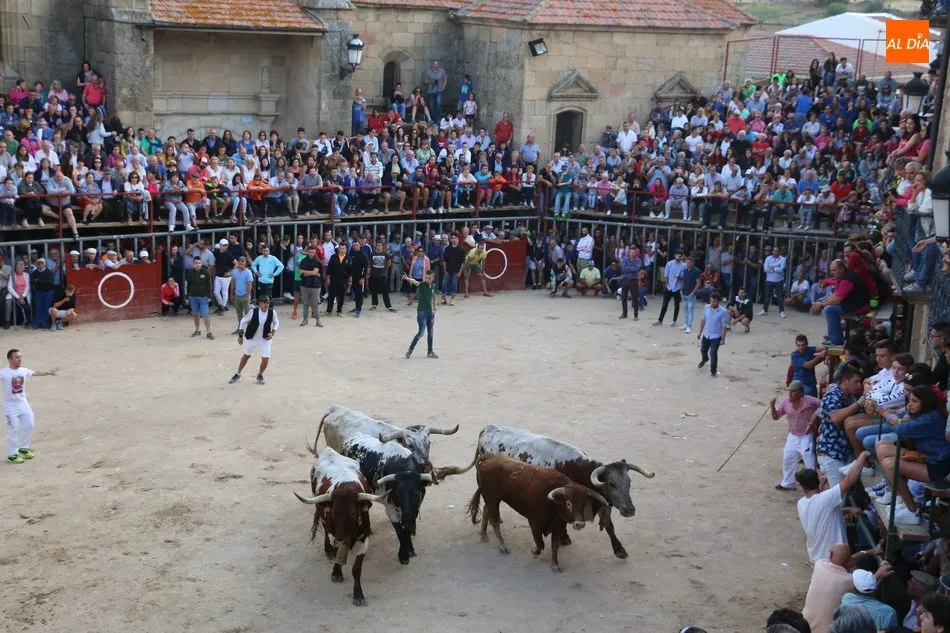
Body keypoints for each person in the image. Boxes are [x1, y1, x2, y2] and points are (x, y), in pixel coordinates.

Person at [796, 454, 869, 563]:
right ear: (819, 483)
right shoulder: (826, 498)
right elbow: (849, 480)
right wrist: (862, 455)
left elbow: (821, 515)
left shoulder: (801, 503)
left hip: (817, 559)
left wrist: (847, 510)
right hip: (833, 560)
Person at [1, 348, 58, 464]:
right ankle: (13, 454)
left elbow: (36, 372)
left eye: (20, 357)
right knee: (13, 429)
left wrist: (49, 372)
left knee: (29, 424)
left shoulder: (23, 371)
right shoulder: (4, 373)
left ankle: (23, 448)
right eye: (17, 357)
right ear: (10, 359)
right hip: (10, 406)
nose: (20, 359)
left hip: (23, 403)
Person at [816, 364, 864, 488]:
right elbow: (836, 417)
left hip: (843, 452)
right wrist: (858, 405)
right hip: (831, 452)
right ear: (845, 380)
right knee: (838, 495)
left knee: (838, 492)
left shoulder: (851, 396)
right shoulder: (832, 396)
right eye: (856, 381)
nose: (859, 385)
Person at [771, 381, 821, 490]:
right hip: (792, 436)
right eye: (790, 391)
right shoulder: (786, 403)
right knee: (788, 459)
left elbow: (823, 404)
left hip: (806, 436)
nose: (790, 394)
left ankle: (813, 486)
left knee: (809, 461)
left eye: (792, 392)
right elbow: (776, 417)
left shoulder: (809, 400)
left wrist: (814, 416)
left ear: (800, 393)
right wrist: (772, 406)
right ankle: (788, 483)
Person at [802, 544, 856, 633]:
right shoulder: (850, 580)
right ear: (849, 561)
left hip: (804, 625)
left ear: (830, 555)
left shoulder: (819, 564)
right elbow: (865, 587)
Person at [229, 295, 279, 386]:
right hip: (252, 338)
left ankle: (260, 374)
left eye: (267, 303)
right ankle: (238, 373)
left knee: (265, 359)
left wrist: (272, 332)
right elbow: (243, 321)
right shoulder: (253, 312)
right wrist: (240, 336)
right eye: (264, 302)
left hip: (265, 339)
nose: (266, 304)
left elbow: (276, 323)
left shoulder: (272, 312)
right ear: (260, 303)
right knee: (246, 356)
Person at [403, 270, 437, 359]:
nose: (427, 279)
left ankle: (430, 351)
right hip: (422, 312)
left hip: (430, 312)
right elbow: (415, 281)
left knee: (430, 333)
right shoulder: (422, 284)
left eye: (429, 278)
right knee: (421, 333)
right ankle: (410, 350)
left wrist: (434, 307)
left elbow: (434, 296)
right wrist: (407, 279)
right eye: (426, 277)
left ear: (433, 278)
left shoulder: (434, 286)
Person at [697, 291, 728, 377]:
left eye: (714, 301)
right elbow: (703, 320)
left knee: (713, 353)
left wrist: (723, 339)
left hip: (716, 336)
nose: (712, 303)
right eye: (711, 301)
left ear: (718, 302)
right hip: (706, 334)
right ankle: (705, 359)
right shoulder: (706, 307)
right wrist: (700, 332)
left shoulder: (723, 312)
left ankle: (713, 371)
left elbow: (724, 326)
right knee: (703, 350)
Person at [654, 250, 686, 327]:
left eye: (680, 256)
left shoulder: (684, 265)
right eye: (677, 255)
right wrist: (666, 285)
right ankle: (660, 320)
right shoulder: (669, 263)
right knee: (664, 304)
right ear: (675, 255)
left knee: (677, 305)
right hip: (669, 287)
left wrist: (680, 278)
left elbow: (684, 277)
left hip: (677, 288)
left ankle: (674, 321)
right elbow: (666, 275)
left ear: (682, 257)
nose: (678, 257)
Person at [185, 256, 214, 340]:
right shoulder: (190, 273)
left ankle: (209, 332)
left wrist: (209, 296)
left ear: (201, 263)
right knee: (195, 314)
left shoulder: (206, 272)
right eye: (196, 263)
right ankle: (197, 330)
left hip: (203, 297)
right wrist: (187, 297)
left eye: (199, 263)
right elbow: (188, 285)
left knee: (205, 315)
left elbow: (209, 285)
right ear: (193, 264)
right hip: (193, 297)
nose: (198, 265)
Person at [297, 245, 324, 327]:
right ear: (307, 252)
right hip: (304, 285)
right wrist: (313, 273)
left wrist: (306, 272)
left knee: (316, 304)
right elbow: (301, 272)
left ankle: (318, 320)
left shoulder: (317, 261)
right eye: (310, 252)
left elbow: (314, 272)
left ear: (315, 252)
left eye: (313, 252)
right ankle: (305, 319)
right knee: (305, 303)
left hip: (315, 285)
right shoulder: (303, 261)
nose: (311, 254)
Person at [760, 245, 787, 318]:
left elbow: (781, 269)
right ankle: (764, 310)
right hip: (769, 280)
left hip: (779, 280)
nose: (775, 252)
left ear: (779, 251)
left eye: (777, 251)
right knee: (767, 296)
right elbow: (765, 269)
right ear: (772, 251)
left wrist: (773, 268)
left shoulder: (783, 259)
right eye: (774, 250)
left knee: (780, 297)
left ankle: (781, 311)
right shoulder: (768, 258)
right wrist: (776, 268)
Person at [229, 256, 253, 335]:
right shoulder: (235, 272)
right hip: (237, 295)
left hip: (245, 295)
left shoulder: (248, 272)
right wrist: (231, 294)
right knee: (239, 313)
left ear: (245, 264)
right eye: (240, 264)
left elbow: (250, 285)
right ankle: (240, 328)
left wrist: (247, 295)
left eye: (243, 264)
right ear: (238, 263)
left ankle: (250, 329)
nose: (242, 266)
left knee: (247, 314)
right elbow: (232, 284)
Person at [326, 244, 351, 316]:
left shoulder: (348, 258)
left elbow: (350, 270)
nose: (342, 250)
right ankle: (329, 311)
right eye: (341, 248)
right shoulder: (333, 257)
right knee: (331, 295)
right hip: (333, 279)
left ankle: (339, 311)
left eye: (343, 248)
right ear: (338, 249)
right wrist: (328, 278)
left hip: (343, 280)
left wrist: (350, 280)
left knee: (341, 296)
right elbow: (329, 268)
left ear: (346, 249)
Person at [441, 233, 465, 305]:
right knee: (444, 283)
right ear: (451, 239)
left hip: (456, 271)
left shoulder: (461, 250)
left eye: (455, 238)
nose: (454, 240)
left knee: (454, 284)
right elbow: (444, 261)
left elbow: (462, 262)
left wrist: (460, 272)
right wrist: (445, 271)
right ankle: (443, 298)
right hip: (448, 270)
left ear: (458, 240)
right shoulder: (447, 249)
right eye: (453, 238)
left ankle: (452, 298)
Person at [619, 246, 642, 320]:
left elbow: (637, 268)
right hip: (625, 280)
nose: (632, 253)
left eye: (633, 252)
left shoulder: (638, 260)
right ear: (629, 253)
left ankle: (636, 315)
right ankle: (624, 314)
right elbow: (623, 269)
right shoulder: (625, 259)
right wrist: (632, 268)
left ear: (636, 253)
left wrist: (628, 268)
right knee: (623, 297)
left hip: (633, 280)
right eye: (631, 252)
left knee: (635, 298)